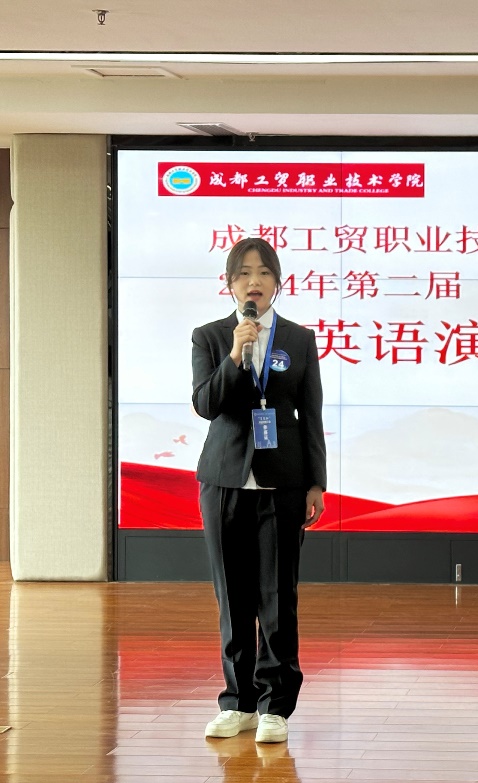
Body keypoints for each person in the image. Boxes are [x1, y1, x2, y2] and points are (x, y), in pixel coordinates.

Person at [191, 237, 327, 743]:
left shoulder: (299, 338)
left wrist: (316, 482)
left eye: (264, 272)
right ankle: (238, 703)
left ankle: (275, 705)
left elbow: (310, 415)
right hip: (224, 479)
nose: (254, 281)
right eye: (244, 273)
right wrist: (235, 354)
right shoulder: (209, 336)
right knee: (232, 595)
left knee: (276, 595)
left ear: (277, 282)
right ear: (229, 284)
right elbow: (206, 404)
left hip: (283, 481)